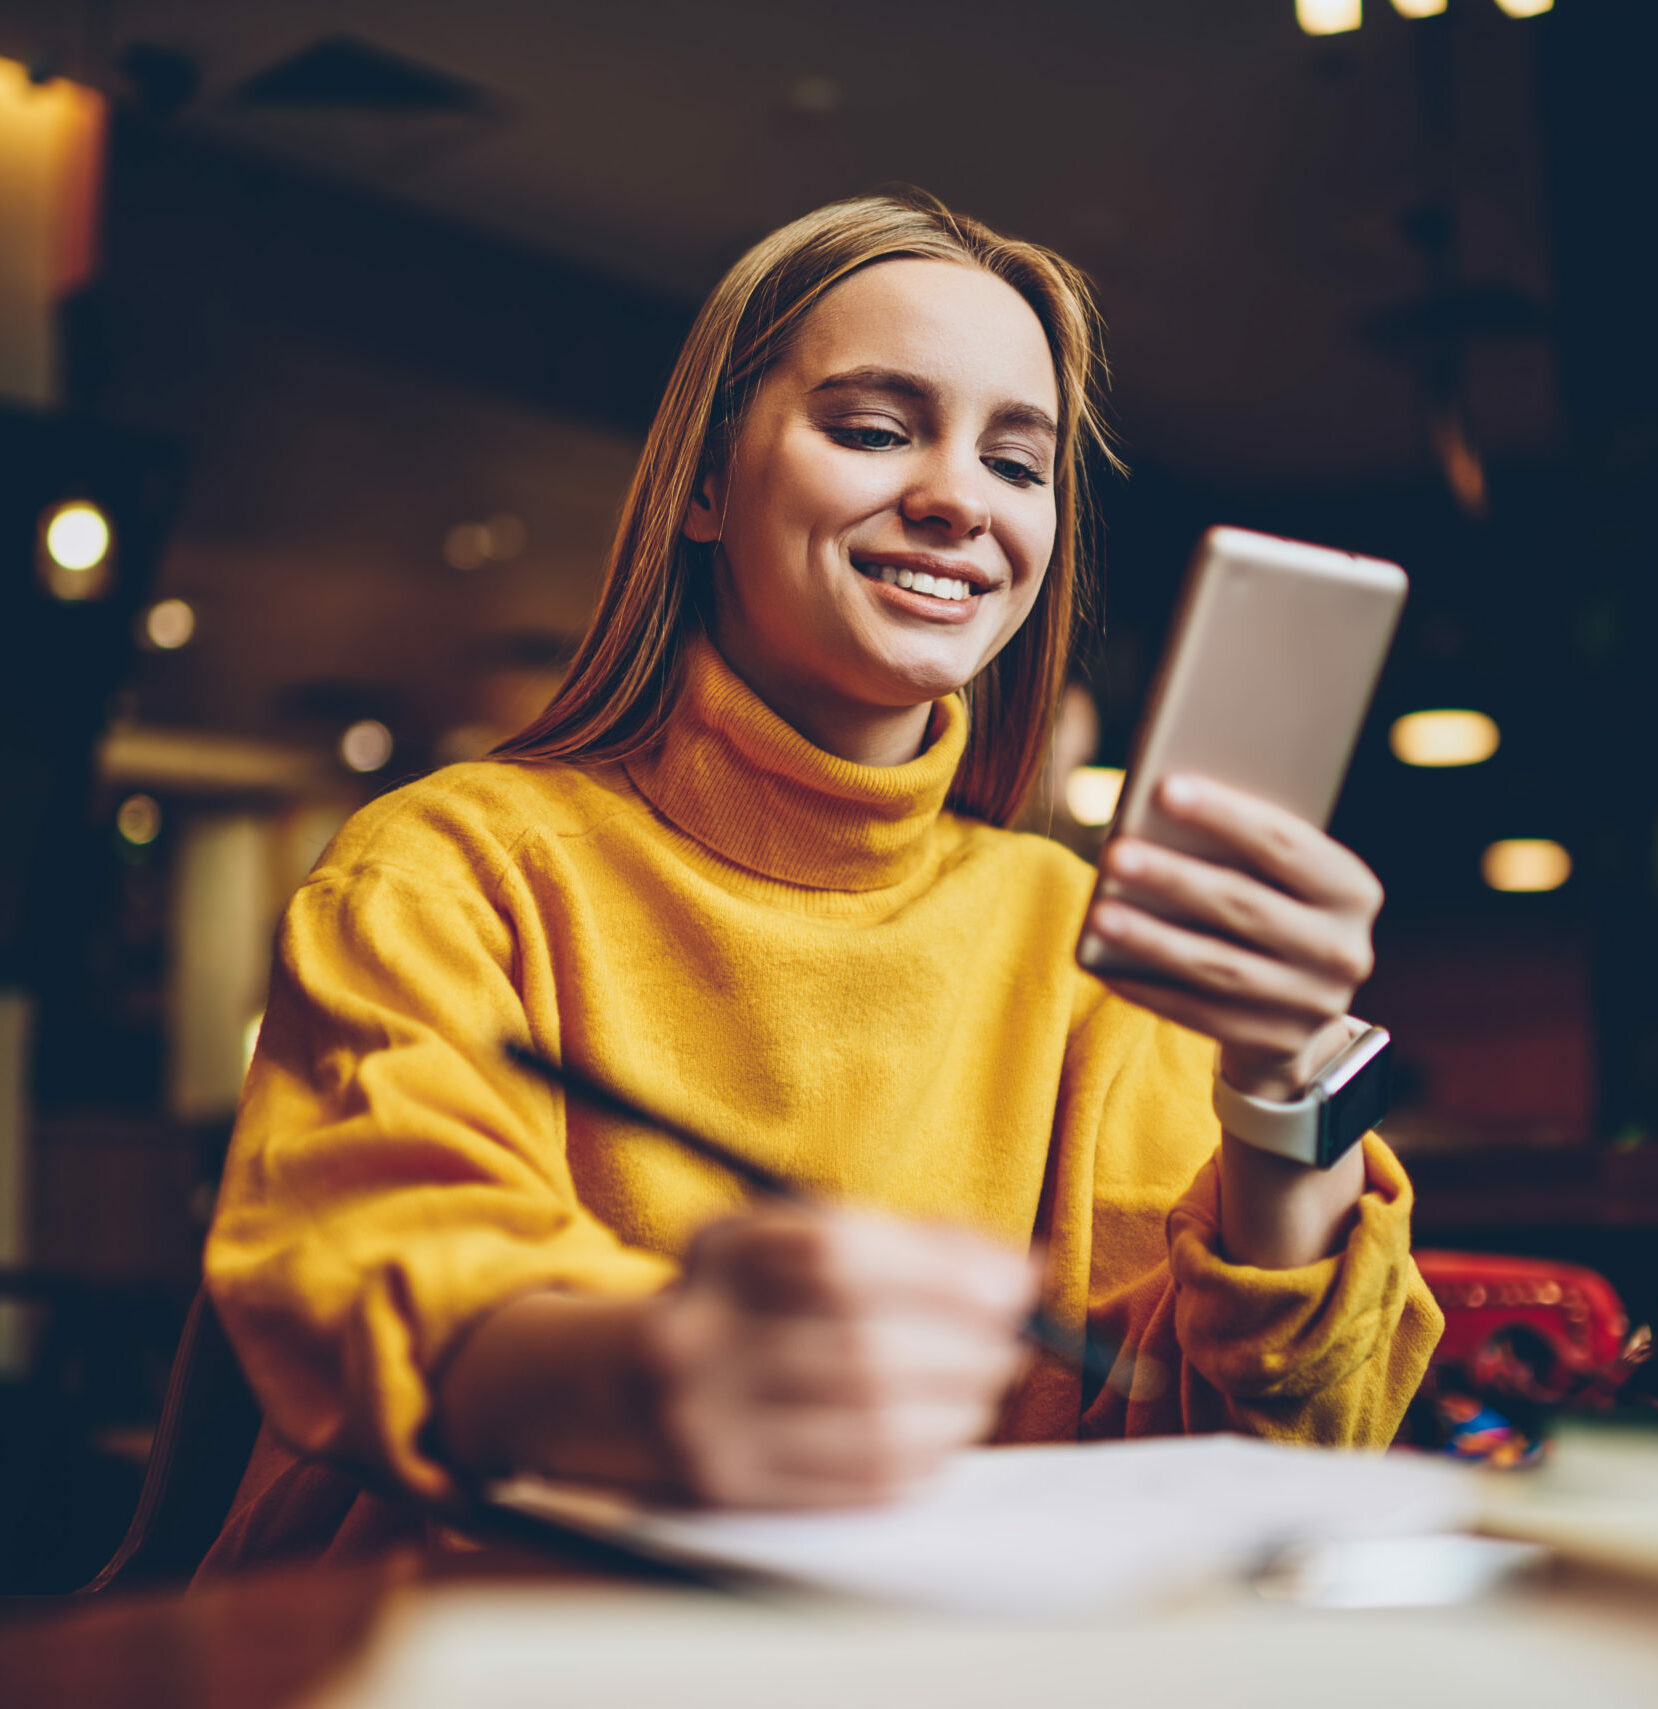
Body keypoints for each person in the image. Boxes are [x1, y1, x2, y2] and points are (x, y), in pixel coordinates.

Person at [200, 191, 1441, 1571]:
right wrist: (651, 1372)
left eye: (1018, 463)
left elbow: (1267, 1448)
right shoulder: (449, 866)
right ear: (704, 486)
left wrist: (1283, 1092)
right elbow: (356, 1268)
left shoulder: (1078, 930)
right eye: (870, 428)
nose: (959, 499)